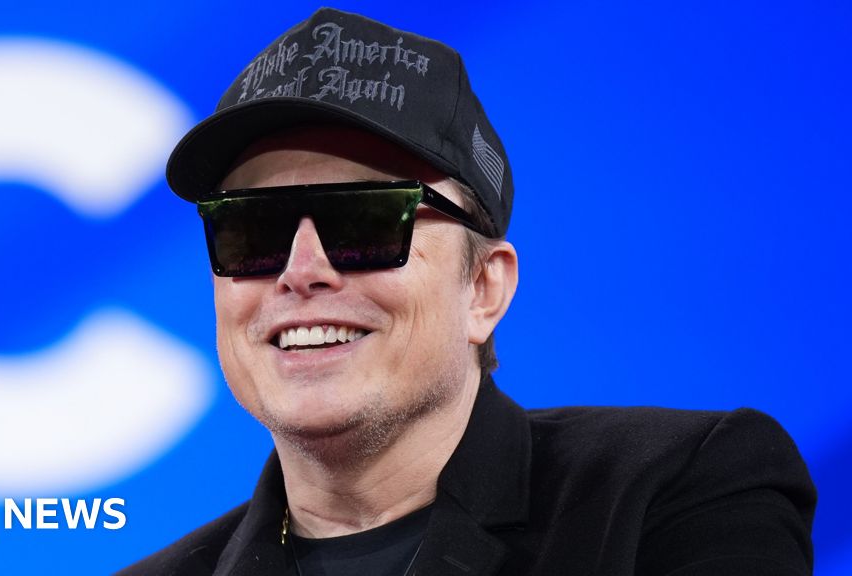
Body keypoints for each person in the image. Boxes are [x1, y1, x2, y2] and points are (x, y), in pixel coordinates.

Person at [120, 7, 815, 575]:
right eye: (252, 228)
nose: (300, 269)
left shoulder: (679, 493)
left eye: (364, 220)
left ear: (484, 287)